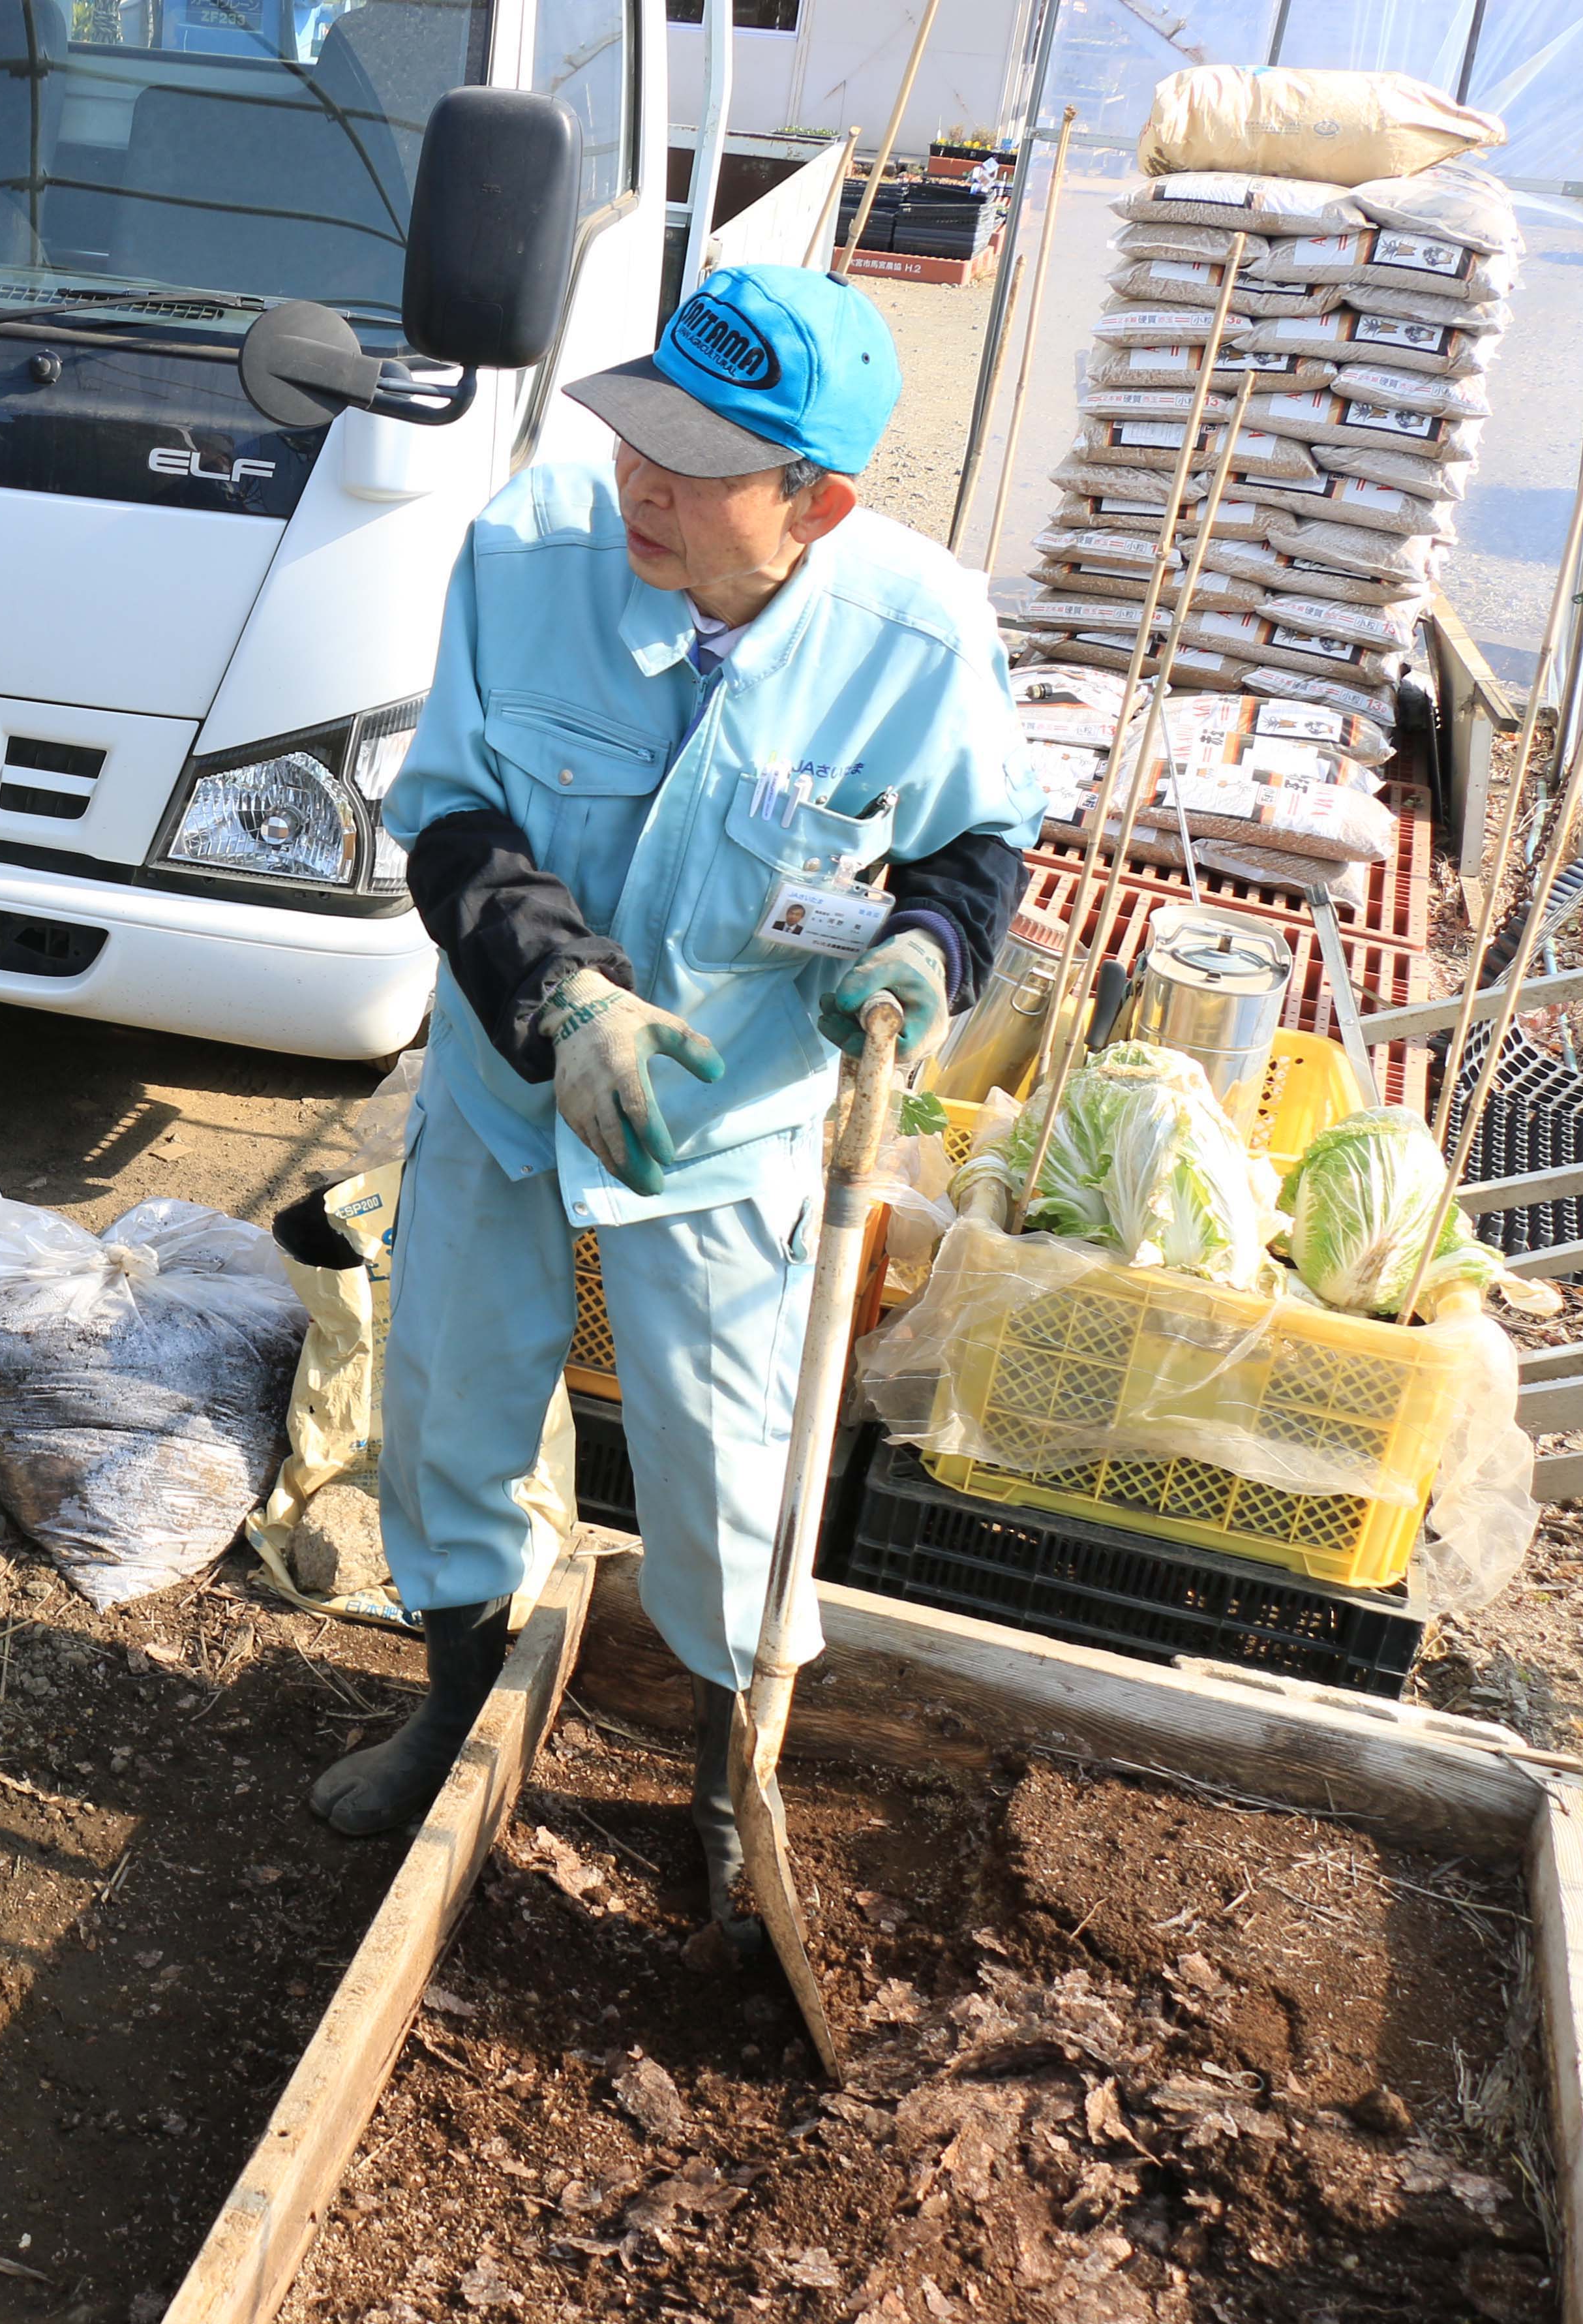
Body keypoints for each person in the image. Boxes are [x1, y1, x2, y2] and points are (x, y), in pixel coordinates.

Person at [319, 268, 1039, 1960]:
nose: (642, 481)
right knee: (450, 1405)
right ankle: (454, 1709)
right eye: (638, 432)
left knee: (734, 1475)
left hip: (729, 1113)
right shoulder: (527, 554)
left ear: (819, 504)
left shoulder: (917, 637)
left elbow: (971, 852)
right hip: (513, 1073)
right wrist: (561, 994)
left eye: (700, 461)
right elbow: (453, 820)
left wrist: (924, 961)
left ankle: (726, 1776)